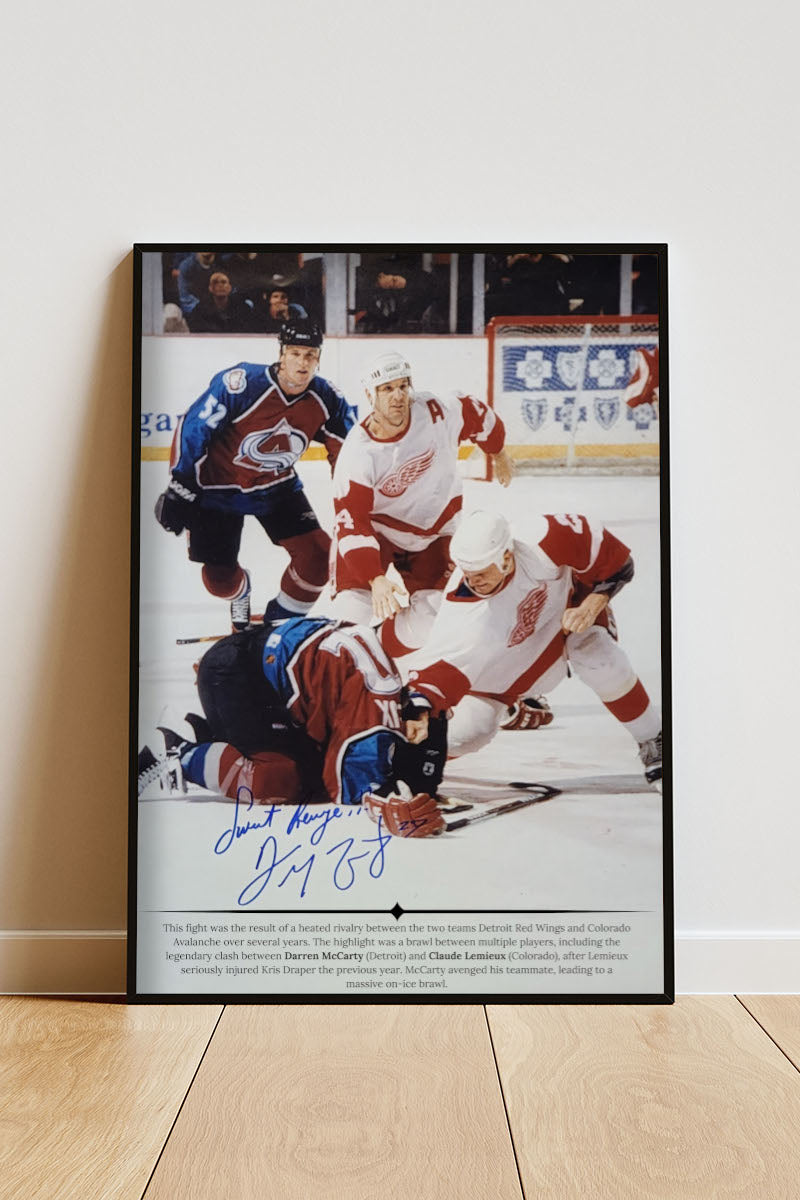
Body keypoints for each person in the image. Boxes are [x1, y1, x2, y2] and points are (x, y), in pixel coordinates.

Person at [408, 510, 663, 790]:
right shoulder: (463, 613)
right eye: (467, 574)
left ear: (506, 557)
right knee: (469, 733)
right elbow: (435, 677)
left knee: (596, 654)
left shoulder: (546, 538)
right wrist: (419, 716)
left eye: (480, 573)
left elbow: (619, 564)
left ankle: (655, 739)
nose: (472, 582)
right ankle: (400, 759)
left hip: (567, 614)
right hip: (511, 661)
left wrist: (593, 603)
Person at [137, 616, 447, 838]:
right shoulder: (376, 712)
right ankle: (179, 752)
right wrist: (391, 805)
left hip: (251, 665)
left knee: (310, 776)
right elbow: (348, 789)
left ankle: (205, 733)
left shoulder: (396, 702)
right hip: (233, 675)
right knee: (280, 781)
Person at [154, 319, 355, 627]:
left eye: (310, 355)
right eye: (295, 353)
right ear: (282, 354)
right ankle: (241, 594)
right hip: (216, 489)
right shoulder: (242, 384)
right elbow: (193, 427)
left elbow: (348, 450)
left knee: (318, 559)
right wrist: (181, 485)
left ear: (319, 358)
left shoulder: (326, 398)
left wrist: (354, 500)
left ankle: (274, 626)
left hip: (276, 487)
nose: (302, 363)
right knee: (219, 580)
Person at [330, 350, 514, 659]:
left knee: (435, 618)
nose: (398, 396)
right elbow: (353, 523)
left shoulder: (435, 412)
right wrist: (374, 578)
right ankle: (348, 660)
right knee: (348, 620)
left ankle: (377, 649)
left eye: (403, 386)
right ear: (370, 395)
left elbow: (477, 413)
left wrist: (498, 451)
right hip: (378, 532)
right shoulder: (357, 454)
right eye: (387, 389)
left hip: (434, 532)